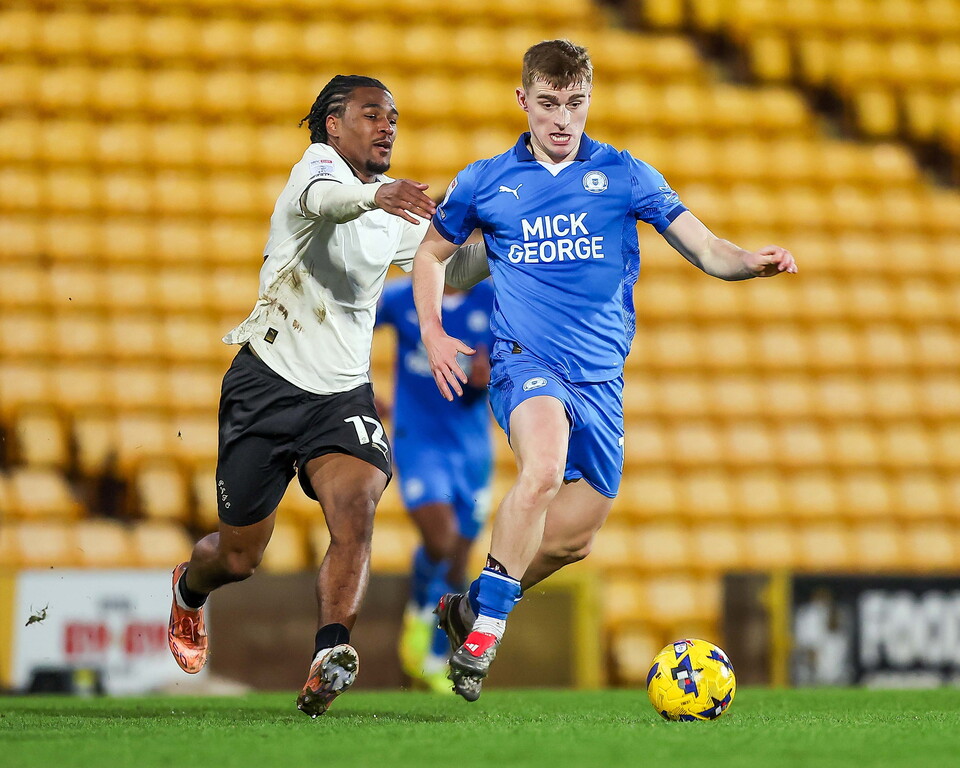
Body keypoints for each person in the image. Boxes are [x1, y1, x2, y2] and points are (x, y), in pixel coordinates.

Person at [412, 40, 797, 702]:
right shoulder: (485, 180)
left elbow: (704, 245)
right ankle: (483, 640)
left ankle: (472, 606)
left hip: (600, 382)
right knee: (538, 471)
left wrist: (748, 262)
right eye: (549, 103)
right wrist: (434, 331)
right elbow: (430, 256)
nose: (562, 119)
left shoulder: (625, 175)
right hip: (525, 364)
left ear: (589, 99)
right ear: (523, 100)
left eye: (576, 103)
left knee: (573, 540)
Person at [166, 74, 489, 717]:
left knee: (357, 509)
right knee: (237, 556)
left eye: (393, 116)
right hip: (266, 382)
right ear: (334, 124)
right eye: (373, 114)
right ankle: (188, 590)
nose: (388, 125)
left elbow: (449, 267)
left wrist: (510, 247)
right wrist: (378, 197)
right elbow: (331, 203)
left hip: (340, 397)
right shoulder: (313, 174)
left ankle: (330, 652)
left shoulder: (385, 209)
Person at [375, 276, 495, 692]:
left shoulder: (494, 297)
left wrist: (486, 382)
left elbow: (510, 363)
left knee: (459, 558)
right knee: (441, 540)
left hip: (472, 447)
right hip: (418, 441)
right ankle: (421, 626)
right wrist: (355, 387)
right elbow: (348, 325)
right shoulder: (402, 295)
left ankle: (432, 648)